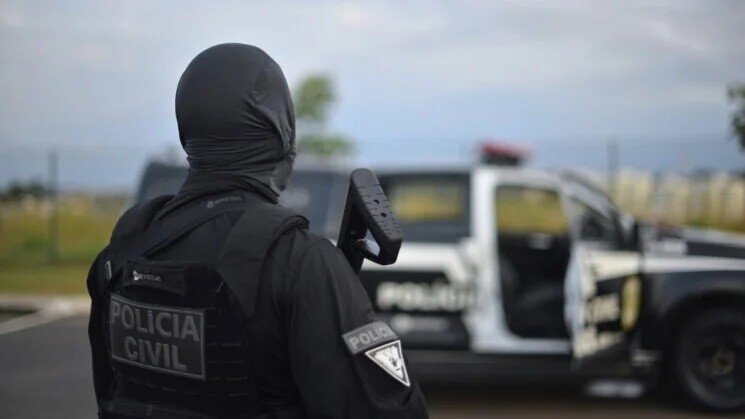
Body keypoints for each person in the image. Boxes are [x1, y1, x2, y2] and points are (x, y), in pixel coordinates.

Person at [86, 43, 429, 419]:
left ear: (188, 130)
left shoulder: (122, 253)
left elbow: (109, 394)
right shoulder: (299, 261)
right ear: (282, 131)